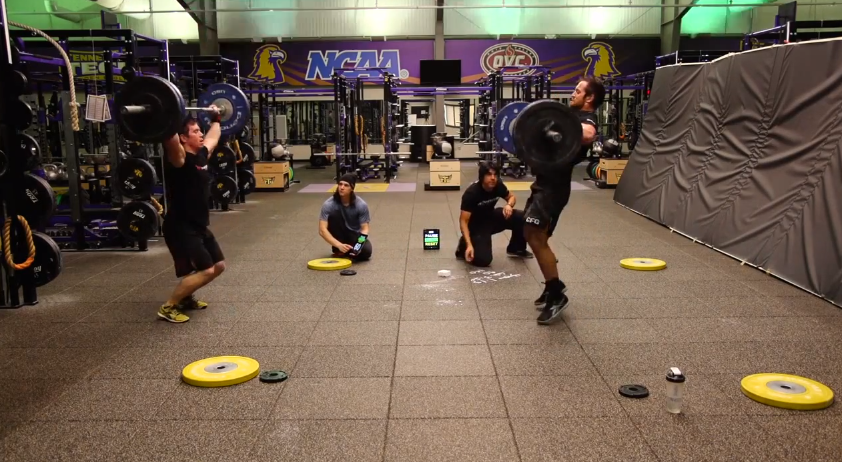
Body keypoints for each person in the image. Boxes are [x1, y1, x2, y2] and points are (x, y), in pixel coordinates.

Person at [525, 76, 604, 325]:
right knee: (538, 236)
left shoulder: (585, 119)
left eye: (578, 90)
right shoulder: (569, 116)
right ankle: (552, 286)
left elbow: (589, 134)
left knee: (533, 234)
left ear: (589, 98)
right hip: (545, 182)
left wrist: (556, 130)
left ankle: (556, 292)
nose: (573, 93)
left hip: (554, 187)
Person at [157, 108, 225, 323]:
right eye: (195, 131)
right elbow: (170, 141)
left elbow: (214, 136)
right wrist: (169, 116)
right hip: (180, 225)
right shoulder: (179, 159)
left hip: (198, 224)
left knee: (219, 266)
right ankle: (169, 307)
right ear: (184, 137)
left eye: (199, 130)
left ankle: (186, 298)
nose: (200, 134)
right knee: (206, 270)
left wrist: (216, 118)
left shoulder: (202, 155)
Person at [456, 162, 532, 267]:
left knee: (521, 217)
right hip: (476, 226)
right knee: (483, 260)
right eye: (489, 175)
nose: (493, 178)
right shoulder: (472, 193)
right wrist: (469, 245)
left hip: (491, 217)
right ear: (482, 177)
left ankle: (516, 248)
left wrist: (509, 205)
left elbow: (511, 197)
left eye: (495, 175)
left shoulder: (498, 185)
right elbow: (463, 221)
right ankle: (464, 244)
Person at [318, 174, 373, 261]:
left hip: (354, 235)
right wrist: (338, 245)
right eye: (340, 184)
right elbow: (322, 230)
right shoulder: (329, 204)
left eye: (346, 185)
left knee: (366, 252)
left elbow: (365, 229)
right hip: (339, 235)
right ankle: (339, 248)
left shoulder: (361, 205)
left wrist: (358, 246)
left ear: (352, 188)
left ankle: (347, 250)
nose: (342, 187)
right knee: (334, 214)